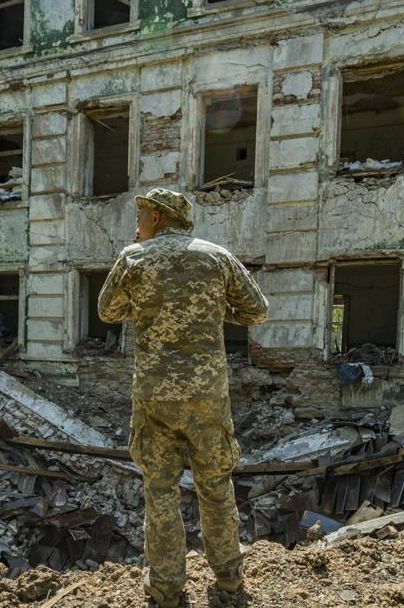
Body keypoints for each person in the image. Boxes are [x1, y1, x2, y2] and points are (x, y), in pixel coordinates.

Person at [98, 188, 269, 607]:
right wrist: (211, 309)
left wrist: (150, 307)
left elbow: (108, 311)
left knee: (160, 491)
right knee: (216, 487)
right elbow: (256, 310)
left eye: (140, 215)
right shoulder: (216, 256)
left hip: (155, 398)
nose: (136, 224)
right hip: (207, 398)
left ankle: (167, 589)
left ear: (157, 217)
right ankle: (228, 580)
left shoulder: (134, 258)